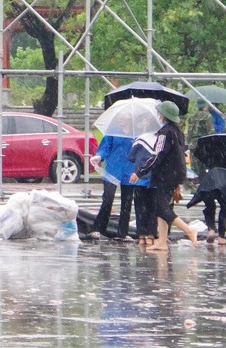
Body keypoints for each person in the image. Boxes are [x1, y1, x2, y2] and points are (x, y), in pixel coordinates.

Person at [130, 101, 198, 251]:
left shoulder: (165, 133)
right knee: (163, 206)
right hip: (176, 173)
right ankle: (162, 242)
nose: (158, 115)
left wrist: (139, 171)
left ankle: (188, 230)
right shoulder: (177, 132)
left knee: (161, 208)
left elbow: (157, 156)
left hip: (166, 175)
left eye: (160, 113)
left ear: (164, 116)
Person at [88, 131, 136, 241]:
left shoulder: (135, 132)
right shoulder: (113, 131)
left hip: (129, 168)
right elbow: (106, 146)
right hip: (112, 168)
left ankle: (123, 232)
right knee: (108, 199)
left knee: (127, 201)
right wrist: (99, 156)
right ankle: (98, 228)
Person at [185, 165, 226, 246]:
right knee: (225, 209)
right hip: (222, 187)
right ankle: (221, 238)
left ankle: (211, 230)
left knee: (210, 208)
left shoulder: (214, 171)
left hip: (206, 186)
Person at [186, 101, 217, 171]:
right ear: (205, 106)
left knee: (194, 167)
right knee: (204, 167)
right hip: (204, 144)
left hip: (193, 144)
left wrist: (189, 142)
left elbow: (189, 133)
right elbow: (211, 132)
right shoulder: (208, 116)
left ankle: (195, 180)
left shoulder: (192, 117)